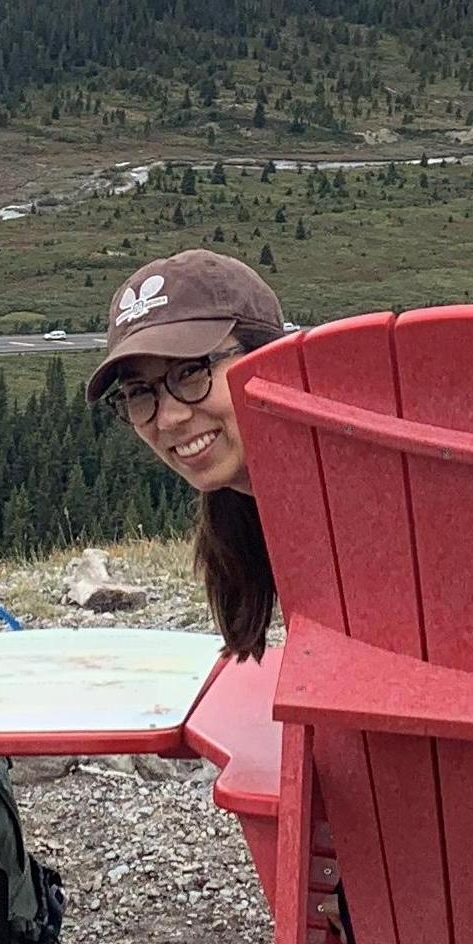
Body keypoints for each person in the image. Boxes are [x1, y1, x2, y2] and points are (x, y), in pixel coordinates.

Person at [83, 248, 289, 660]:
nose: (170, 417)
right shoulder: (239, 518)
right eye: (140, 393)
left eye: (192, 371)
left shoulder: (365, 500)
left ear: (269, 358)